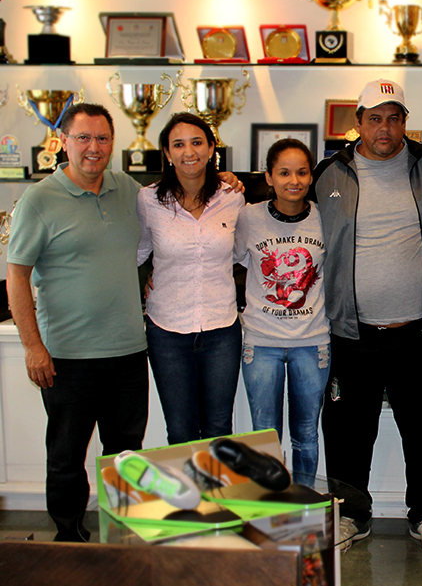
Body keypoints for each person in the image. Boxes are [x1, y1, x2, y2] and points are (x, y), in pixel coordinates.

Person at [316, 79, 422, 554]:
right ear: (358, 123)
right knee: (348, 433)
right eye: (374, 118)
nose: (385, 128)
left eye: (394, 118)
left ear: (404, 123)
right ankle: (352, 515)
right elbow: (281, 205)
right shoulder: (329, 173)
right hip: (351, 334)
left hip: (420, 333)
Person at [7, 103, 148, 542]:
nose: (94, 147)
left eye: (102, 138)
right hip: (67, 356)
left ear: (113, 143)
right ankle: (69, 540)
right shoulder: (39, 199)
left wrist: (225, 179)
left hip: (128, 351)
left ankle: (122, 536)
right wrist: (33, 346)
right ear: (63, 142)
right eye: (83, 137)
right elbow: (17, 276)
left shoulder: (128, 189)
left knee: (126, 455)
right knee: (67, 456)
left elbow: (177, 202)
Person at [138, 112, 244, 445]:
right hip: (166, 331)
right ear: (167, 153)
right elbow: (136, 252)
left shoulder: (232, 198)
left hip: (221, 330)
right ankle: (187, 484)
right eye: (178, 144)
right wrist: (143, 277)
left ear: (211, 148)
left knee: (218, 429)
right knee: (181, 430)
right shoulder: (148, 200)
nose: (189, 152)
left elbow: (244, 253)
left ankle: (215, 484)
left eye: (197, 142)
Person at [235, 138, 329, 488]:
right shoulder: (249, 216)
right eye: (284, 173)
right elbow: (226, 260)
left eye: (302, 172)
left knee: (306, 434)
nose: (294, 181)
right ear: (269, 177)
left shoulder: (324, 216)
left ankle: (302, 506)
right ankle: (270, 509)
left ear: (311, 177)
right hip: (261, 343)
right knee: (264, 436)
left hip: (312, 342)